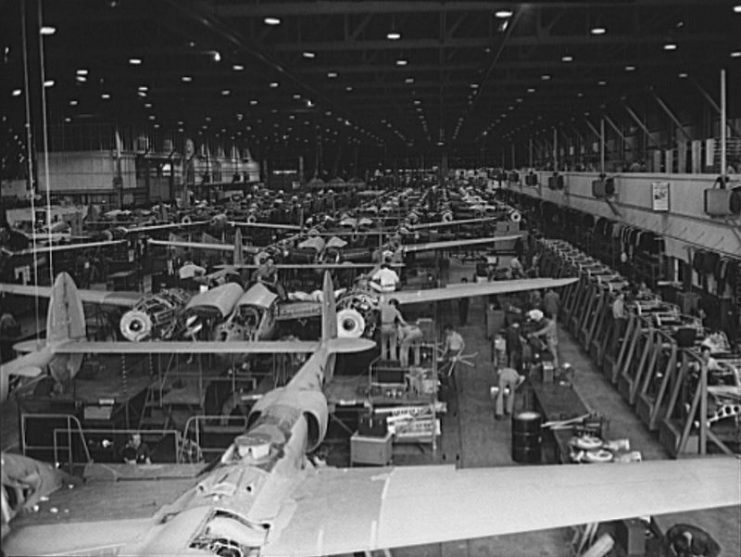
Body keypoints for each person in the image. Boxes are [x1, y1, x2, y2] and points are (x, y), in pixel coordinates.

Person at [611, 291, 627, 356]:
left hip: (621, 320)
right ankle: (613, 352)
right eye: (622, 295)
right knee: (616, 336)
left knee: (620, 335)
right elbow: (618, 314)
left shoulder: (621, 302)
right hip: (617, 320)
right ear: (619, 296)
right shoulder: (616, 303)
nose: (623, 296)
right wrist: (624, 316)